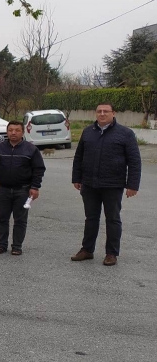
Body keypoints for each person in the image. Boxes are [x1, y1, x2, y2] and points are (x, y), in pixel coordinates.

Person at [70, 103, 141, 266]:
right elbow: (79, 156)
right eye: (99, 111)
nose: (102, 114)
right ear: (96, 113)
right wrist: (76, 178)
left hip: (113, 184)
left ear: (113, 113)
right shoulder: (88, 132)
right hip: (89, 184)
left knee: (113, 219)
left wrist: (133, 185)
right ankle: (87, 250)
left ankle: (111, 253)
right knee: (91, 218)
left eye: (106, 111)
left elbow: (134, 161)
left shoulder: (125, 134)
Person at [0, 120, 45, 256]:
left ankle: (17, 246)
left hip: (23, 191)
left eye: (17, 130)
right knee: (2, 218)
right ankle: (1, 245)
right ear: (7, 132)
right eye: (10, 130)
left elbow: (38, 169)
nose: (13, 133)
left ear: (22, 132)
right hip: (3, 190)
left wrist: (35, 187)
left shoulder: (31, 149)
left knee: (20, 219)